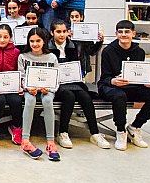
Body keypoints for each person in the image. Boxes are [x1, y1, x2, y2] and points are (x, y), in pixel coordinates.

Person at [97, 20, 150, 150]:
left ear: (133, 34)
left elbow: (139, 75)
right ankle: (121, 131)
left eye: (127, 32)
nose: (124, 35)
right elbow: (104, 77)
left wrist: (148, 81)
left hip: (132, 86)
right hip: (110, 86)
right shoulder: (108, 51)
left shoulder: (139, 52)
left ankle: (134, 127)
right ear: (116, 34)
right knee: (119, 95)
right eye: (120, 32)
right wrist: (112, 81)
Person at [47, 20, 110, 149]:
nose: (62, 35)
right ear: (52, 32)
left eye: (64, 31)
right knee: (69, 96)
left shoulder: (73, 46)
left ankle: (95, 133)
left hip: (72, 81)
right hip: (56, 84)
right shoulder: (47, 47)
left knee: (85, 97)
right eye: (58, 32)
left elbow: (76, 65)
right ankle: (63, 132)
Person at [18, 27, 60, 161]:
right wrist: (27, 87)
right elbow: (21, 77)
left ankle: (51, 142)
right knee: (30, 101)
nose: (35, 44)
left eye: (38, 41)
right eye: (31, 41)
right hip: (30, 89)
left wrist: (50, 88)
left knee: (47, 101)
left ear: (44, 41)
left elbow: (56, 79)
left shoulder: (52, 57)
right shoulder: (23, 57)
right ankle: (25, 140)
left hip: (46, 89)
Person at [68, 9, 103, 76]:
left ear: (81, 17)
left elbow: (92, 52)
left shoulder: (88, 33)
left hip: (83, 67)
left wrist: (100, 41)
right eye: (72, 17)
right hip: (70, 66)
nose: (74, 19)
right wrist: (68, 40)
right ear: (69, 19)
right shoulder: (65, 32)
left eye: (76, 16)